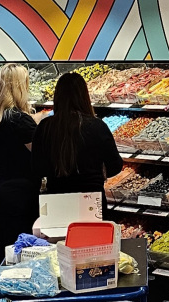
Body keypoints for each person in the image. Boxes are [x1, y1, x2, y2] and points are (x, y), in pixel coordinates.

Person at [33, 71, 123, 218]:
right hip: (91, 201)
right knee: (90, 233)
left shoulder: (44, 127)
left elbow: (38, 167)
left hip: (56, 201)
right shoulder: (97, 126)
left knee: (60, 233)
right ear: (84, 97)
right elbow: (115, 166)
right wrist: (99, 172)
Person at [0, 63, 39, 268]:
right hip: (18, 196)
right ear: (20, 87)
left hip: (1, 190)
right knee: (18, 252)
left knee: (3, 250)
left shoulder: (0, 117)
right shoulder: (20, 120)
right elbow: (41, 155)